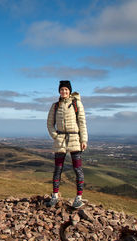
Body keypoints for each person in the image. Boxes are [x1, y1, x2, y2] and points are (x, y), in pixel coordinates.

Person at [46, 80, 88, 208]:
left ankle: (78, 198)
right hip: (61, 140)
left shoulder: (77, 104)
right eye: (62, 89)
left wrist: (84, 140)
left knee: (77, 169)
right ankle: (54, 196)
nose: (64, 91)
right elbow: (49, 124)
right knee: (58, 169)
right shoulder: (55, 106)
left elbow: (82, 122)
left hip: (75, 138)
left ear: (69, 91)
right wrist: (55, 136)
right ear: (59, 91)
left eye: (66, 89)